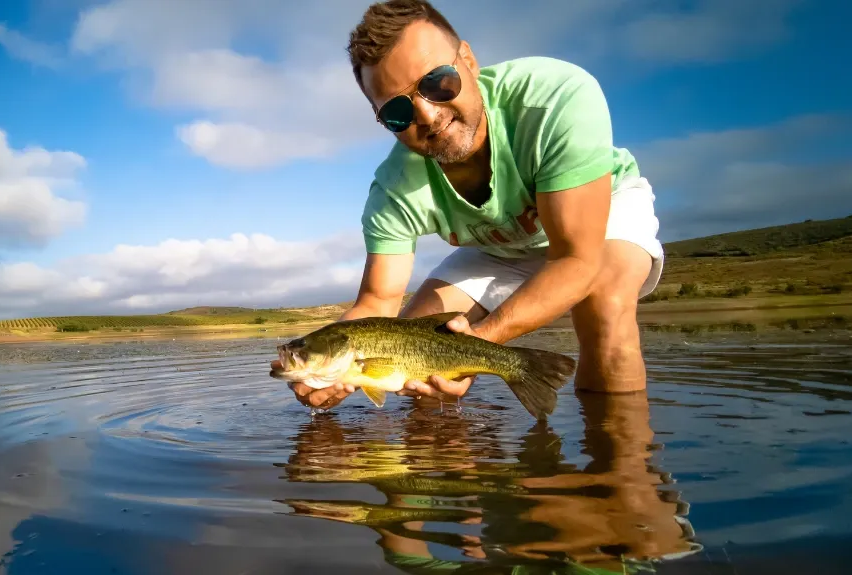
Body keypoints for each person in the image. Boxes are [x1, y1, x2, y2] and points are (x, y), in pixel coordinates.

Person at [276, 0, 664, 411]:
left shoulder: (554, 97)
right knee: (413, 348)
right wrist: (321, 368)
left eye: (437, 83)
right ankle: (442, 463)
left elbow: (575, 259)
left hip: (599, 214)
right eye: (396, 110)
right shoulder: (392, 191)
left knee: (606, 309)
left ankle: (616, 463)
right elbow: (377, 303)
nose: (427, 114)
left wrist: (484, 341)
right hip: (496, 243)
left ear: (469, 60)